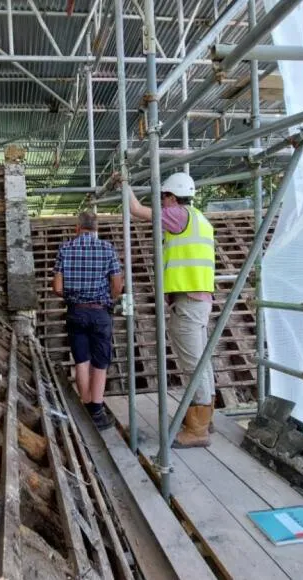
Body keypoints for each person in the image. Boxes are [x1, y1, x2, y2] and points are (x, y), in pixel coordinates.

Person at [125, 172, 216, 448]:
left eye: (163, 198)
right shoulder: (200, 219)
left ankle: (198, 429)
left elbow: (135, 210)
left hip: (188, 302)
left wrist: (125, 184)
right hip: (198, 299)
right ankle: (205, 417)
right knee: (202, 362)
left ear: (172, 197)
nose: (162, 203)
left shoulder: (178, 215)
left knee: (192, 365)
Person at [52, 211, 123, 430]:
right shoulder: (107, 249)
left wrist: (74, 298)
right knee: (100, 362)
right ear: (96, 229)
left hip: (76, 312)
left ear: (77, 228)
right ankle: (97, 410)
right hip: (100, 312)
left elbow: (57, 288)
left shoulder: (65, 249)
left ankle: (85, 404)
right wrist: (108, 299)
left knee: (81, 360)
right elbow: (118, 286)